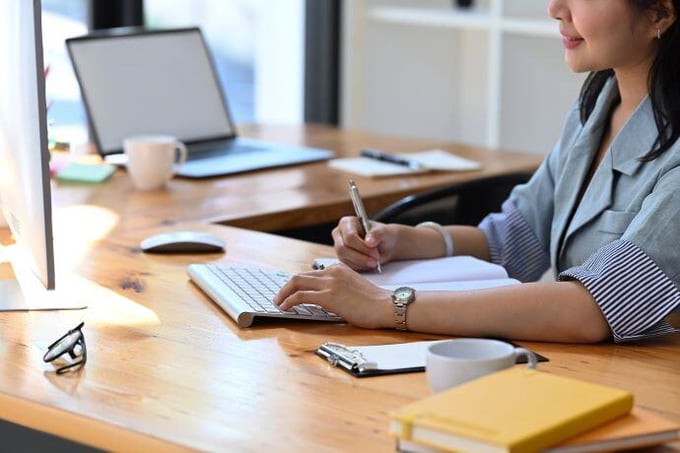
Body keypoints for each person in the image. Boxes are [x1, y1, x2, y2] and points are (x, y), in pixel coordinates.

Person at [275, 0, 680, 343]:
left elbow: (595, 309)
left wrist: (386, 304)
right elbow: (513, 241)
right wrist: (404, 240)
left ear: (659, 14)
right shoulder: (596, 107)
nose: (555, 9)